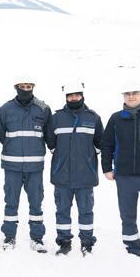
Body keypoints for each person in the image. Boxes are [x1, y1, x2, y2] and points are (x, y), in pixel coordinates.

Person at [100, 82, 140, 258]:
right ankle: (132, 249)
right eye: (127, 93)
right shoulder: (115, 118)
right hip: (124, 177)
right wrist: (107, 168)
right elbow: (107, 145)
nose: (131, 96)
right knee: (128, 216)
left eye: (134, 93)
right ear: (123, 96)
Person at [46, 83, 103, 256]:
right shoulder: (56, 118)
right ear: (66, 97)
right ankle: (64, 242)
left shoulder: (93, 118)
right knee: (62, 210)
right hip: (61, 175)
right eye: (70, 96)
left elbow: (100, 143)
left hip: (86, 176)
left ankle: (87, 242)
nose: (73, 98)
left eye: (77, 95)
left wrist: (87, 158)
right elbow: (50, 141)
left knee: (86, 211)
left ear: (82, 96)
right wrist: (61, 157)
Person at [0, 79, 52, 252]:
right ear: (16, 88)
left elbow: (49, 135)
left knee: (36, 203)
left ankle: (37, 238)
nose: (26, 89)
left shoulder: (43, 109)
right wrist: (13, 148)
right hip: (12, 166)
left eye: (29, 87)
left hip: (35, 167)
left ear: (33, 88)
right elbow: (0, 134)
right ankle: (9, 237)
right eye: (23, 87)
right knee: (10, 202)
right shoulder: (5, 109)